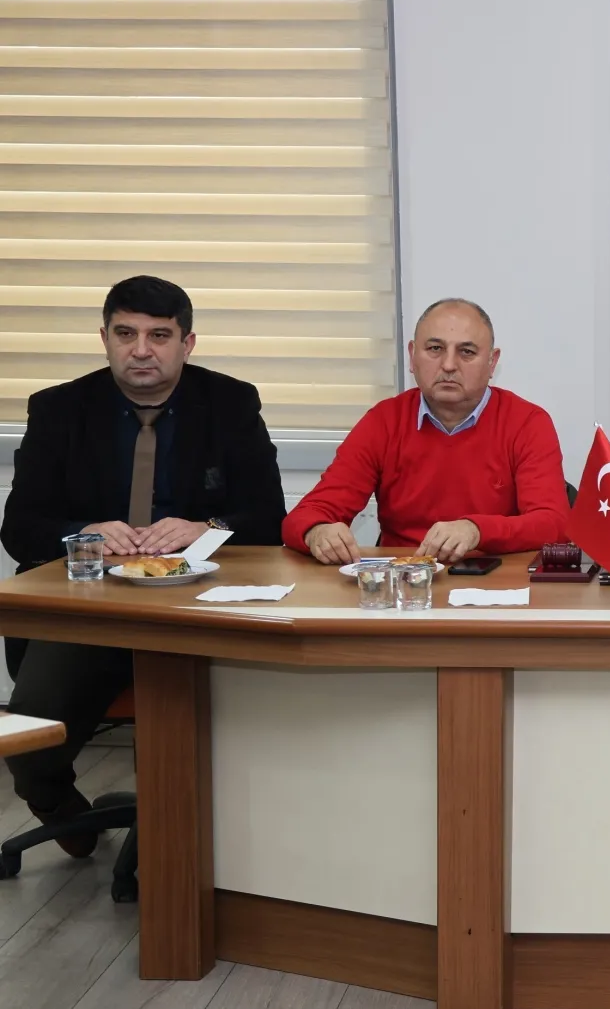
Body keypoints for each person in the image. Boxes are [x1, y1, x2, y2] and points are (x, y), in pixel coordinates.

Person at [1, 275, 286, 854]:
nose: (141, 350)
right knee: (31, 737)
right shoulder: (59, 409)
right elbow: (19, 527)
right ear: (104, 338)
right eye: (126, 334)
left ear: (187, 343)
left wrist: (207, 529)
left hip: (199, 609)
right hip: (93, 611)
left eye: (159, 335)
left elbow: (268, 517)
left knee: (262, 719)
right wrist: (82, 533)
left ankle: (208, 850)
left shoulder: (230, 403)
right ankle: (59, 808)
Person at [282, 299, 569, 564]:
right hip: (404, 585)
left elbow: (554, 524)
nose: (448, 365)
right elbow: (304, 516)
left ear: (492, 362)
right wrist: (316, 532)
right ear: (412, 356)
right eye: (435, 349)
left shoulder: (527, 422)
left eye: (467, 352)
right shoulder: (384, 421)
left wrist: (476, 530)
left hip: (495, 581)